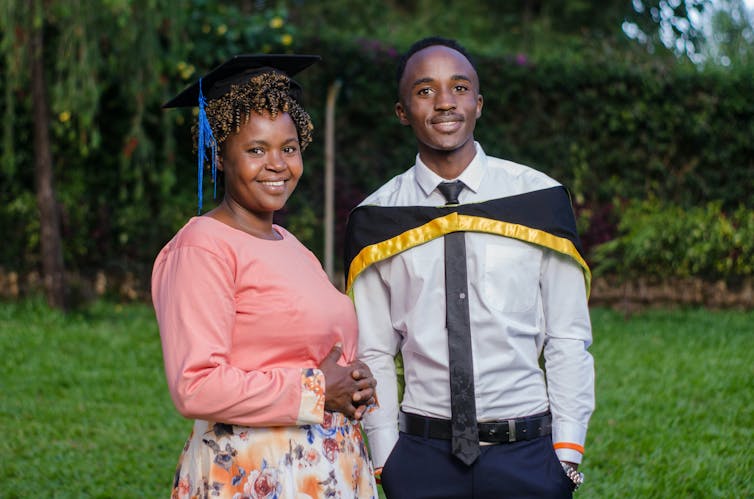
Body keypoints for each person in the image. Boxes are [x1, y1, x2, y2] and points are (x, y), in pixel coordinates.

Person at [344, 37, 594, 498]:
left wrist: (567, 454)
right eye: (424, 91)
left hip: (528, 453)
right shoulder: (376, 217)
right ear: (402, 111)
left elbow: (567, 337)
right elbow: (375, 352)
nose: (444, 102)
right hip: (421, 457)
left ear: (478, 104)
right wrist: (386, 460)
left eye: (459, 88)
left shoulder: (538, 200)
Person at [153, 54, 378, 499]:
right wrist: (317, 390)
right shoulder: (203, 246)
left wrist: (352, 382)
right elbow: (194, 386)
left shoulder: (291, 244)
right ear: (218, 157)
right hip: (256, 474)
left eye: (288, 148)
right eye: (256, 149)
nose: (277, 164)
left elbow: (309, 354)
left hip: (327, 468)